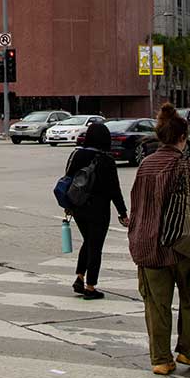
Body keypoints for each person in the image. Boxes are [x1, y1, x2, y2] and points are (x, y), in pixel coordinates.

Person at [128, 103, 190, 375]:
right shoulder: (187, 165)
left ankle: (161, 360)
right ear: (182, 137)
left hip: (148, 245)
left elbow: (137, 205)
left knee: (156, 304)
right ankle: (188, 352)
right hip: (184, 246)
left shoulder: (145, 165)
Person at [65, 122, 128, 299]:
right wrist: (123, 213)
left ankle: (79, 277)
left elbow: (68, 180)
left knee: (88, 241)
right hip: (99, 210)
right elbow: (115, 190)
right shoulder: (106, 159)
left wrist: (68, 205)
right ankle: (90, 287)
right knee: (95, 246)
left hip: (79, 207)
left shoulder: (77, 154)